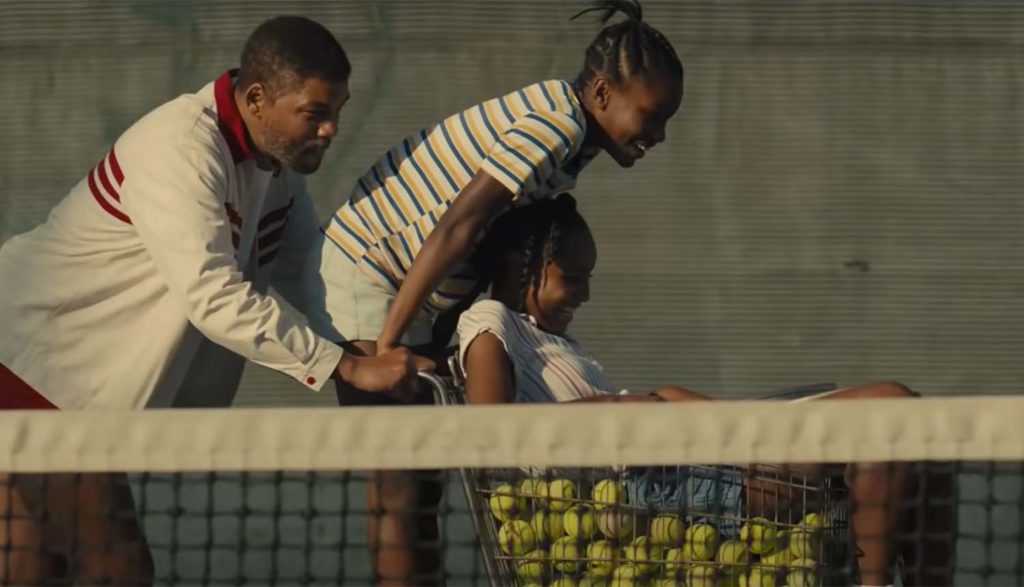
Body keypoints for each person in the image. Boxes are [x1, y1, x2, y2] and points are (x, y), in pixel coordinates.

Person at [0, 16, 430, 586]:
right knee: (115, 568)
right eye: (315, 113)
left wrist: (371, 346)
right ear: (257, 98)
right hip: (29, 369)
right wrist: (346, 367)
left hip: (63, 393)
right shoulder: (180, 147)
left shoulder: (275, 172)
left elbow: (313, 274)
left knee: (34, 566)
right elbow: (213, 295)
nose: (331, 130)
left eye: (339, 112)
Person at [301, 1, 684, 583]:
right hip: (366, 272)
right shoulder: (556, 125)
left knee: (421, 480)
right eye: (651, 117)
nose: (657, 135)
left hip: (408, 295)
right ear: (602, 93)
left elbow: (480, 242)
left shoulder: (571, 144)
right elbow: (455, 226)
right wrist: (385, 344)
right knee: (397, 481)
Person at [456, 194, 955, 587]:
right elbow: (494, 435)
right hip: (658, 491)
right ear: (521, 264)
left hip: (683, 456)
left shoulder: (556, 340)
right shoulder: (489, 320)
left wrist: (655, 405)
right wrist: (623, 407)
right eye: (572, 278)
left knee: (915, 433)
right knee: (889, 408)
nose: (585, 294)